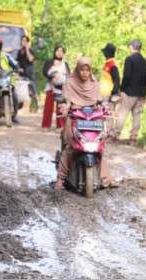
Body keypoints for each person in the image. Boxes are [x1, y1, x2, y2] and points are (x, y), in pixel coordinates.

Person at [54, 57, 118, 190]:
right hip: (75, 116)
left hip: (91, 119)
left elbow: (99, 102)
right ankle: (60, 178)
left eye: (87, 70)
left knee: (98, 147)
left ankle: (106, 178)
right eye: (82, 70)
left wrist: (105, 108)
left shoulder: (94, 84)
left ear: (90, 71)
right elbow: (67, 101)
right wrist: (66, 107)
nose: (84, 73)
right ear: (77, 70)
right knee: (70, 147)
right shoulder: (70, 83)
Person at [115, 39, 146, 145]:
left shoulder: (129, 59)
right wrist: (144, 93)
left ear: (131, 47)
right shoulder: (145, 61)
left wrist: (122, 89)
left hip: (130, 91)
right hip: (141, 92)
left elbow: (127, 76)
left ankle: (115, 134)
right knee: (137, 115)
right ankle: (133, 138)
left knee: (122, 113)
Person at [41, 44, 70, 129]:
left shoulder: (65, 64)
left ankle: (60, 125)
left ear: (63, 53)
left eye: (61, 51)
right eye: (58, 50)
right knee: (48, 107)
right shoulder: (49, 62)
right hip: (50, 87)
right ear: (54, 51)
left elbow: (69, 75)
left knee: (60, 108)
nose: (59, 53)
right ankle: (45, 125)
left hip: (61, 88)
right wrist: (52, 76)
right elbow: (45, 72)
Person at [16, 35, 37, 112]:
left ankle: (34, 107)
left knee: (33, 92)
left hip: (29, 74)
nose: (23, 42)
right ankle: (18, 107)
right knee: (20, 91)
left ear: (28, 42)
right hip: (21, 75)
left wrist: (27, 49)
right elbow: (17, 62)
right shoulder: (19, 51)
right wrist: (18, 69)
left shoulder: (31, 50)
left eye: (25, 41)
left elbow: (31, 59)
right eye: (22, 41)